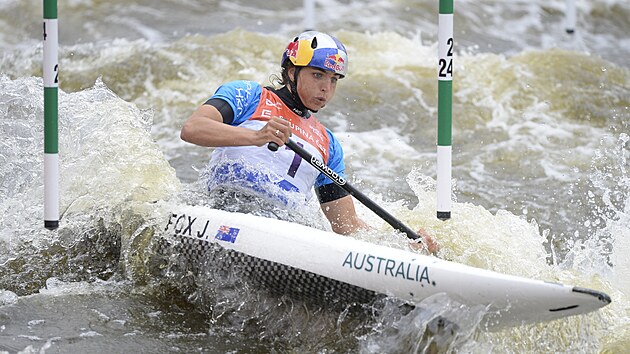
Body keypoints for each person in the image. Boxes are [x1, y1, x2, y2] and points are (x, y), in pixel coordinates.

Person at [181, 31, 437, 252]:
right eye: (318, 75)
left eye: (334, 80)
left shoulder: (328, 144)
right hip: (224, 209)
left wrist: (400, 243)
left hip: (281, 232)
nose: (326, 88)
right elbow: (193, 128)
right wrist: (256, 136)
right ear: (292, 72)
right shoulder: (249, 95)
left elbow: (346, 226)